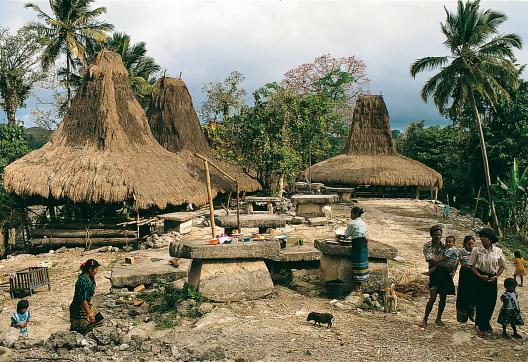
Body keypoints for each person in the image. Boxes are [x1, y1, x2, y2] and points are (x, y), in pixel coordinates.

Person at [469, 227, 506, 336]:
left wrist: (496, 277)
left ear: (490, 238)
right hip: (480, 277)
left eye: (484, 237)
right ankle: (480, 325)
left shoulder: (498, 251)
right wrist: (479, 275)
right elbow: (471, 265)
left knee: (490, 302)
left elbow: (502, 266)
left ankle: (485, 322)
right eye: (481, 236)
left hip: (492, 278)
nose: (482, 239)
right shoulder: (477, 250)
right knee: (480, 302)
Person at [419, 225, 455, 328]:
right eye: (435, 235)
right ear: (431, 235)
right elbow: (431, 261)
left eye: (439, 235)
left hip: (443, 273)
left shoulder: (445, 247)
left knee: (443, 297)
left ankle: (438, 318)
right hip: (435, 274)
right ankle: (425, 319)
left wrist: (449, 267)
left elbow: (452, 261)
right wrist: (446, 265)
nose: (438, 237)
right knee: (433, 297)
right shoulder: (427, 246)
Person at [70, 259, 100, 334]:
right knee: (79, 330)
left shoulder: (90, 278)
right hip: (78, 309)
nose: (96, 271)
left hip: (85, 307)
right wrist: (90, 314)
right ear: (90, 269)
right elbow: (83, 299)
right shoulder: (82, 281)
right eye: (96, 269)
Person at [344, 206, 369, 292]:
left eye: (351, 213)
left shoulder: (353, 224)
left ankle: (357, 287)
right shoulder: (364, 223)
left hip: (357, 245)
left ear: (355, 214)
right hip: (364, 245)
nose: (350, 215)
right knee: (363, 264)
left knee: (357, 265)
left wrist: (339, 237)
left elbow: (346, 235)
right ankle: (360, 285)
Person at [456, 236, 476, 324]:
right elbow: (457, 262)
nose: (471, 246)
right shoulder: (461, 251)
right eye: (469, 244)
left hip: (473, 274)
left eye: (472, 244)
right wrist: (452, 272)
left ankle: (471, 314)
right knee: (463, 293)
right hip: (464, 274)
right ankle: (462, 317)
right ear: (464, 244)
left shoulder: (476, 252)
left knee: (473, 293)